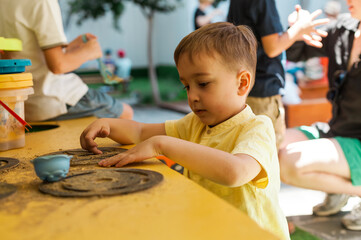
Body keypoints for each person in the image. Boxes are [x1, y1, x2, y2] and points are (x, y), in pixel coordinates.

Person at [80, 22, 290, 239]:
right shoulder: (194, 124)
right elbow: (141, 132)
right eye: (187, 86)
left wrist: (163, 144)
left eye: (203, 83)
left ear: (242, 83)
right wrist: (107, 124)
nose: (192, 96)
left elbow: (235, 172)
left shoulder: (257, 128)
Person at [279, 2, 361, 231]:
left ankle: (350, 189)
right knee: (269, 144)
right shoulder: (342, 29)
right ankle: (341, 189)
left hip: (357, 142)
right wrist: (295, 31)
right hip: (336, 130)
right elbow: (297, 52)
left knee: (289, 162)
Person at [0, 0, 133, 122]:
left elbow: (28, 56)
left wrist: (69, 49)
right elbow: (58, 65)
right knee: (126, 113)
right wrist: (89, 51)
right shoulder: (43, 2)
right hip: (53, 99)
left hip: (20, 103)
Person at [227, 0, 329, 149]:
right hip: (262, 91)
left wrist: (294, 32)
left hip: (243, 86)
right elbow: (273, 47)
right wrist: (299, 28)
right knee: (266, 151)